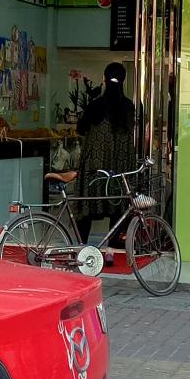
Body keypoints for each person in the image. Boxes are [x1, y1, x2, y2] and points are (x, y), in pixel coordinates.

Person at [74, 62, 136, 244]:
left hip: (95, 166)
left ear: (104, 79)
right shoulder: (129, 107)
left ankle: (81, 247)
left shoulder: (96, 105)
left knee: (88, 207)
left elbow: (81, 129)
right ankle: (112, 249)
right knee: (117, 210)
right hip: (119, 166)